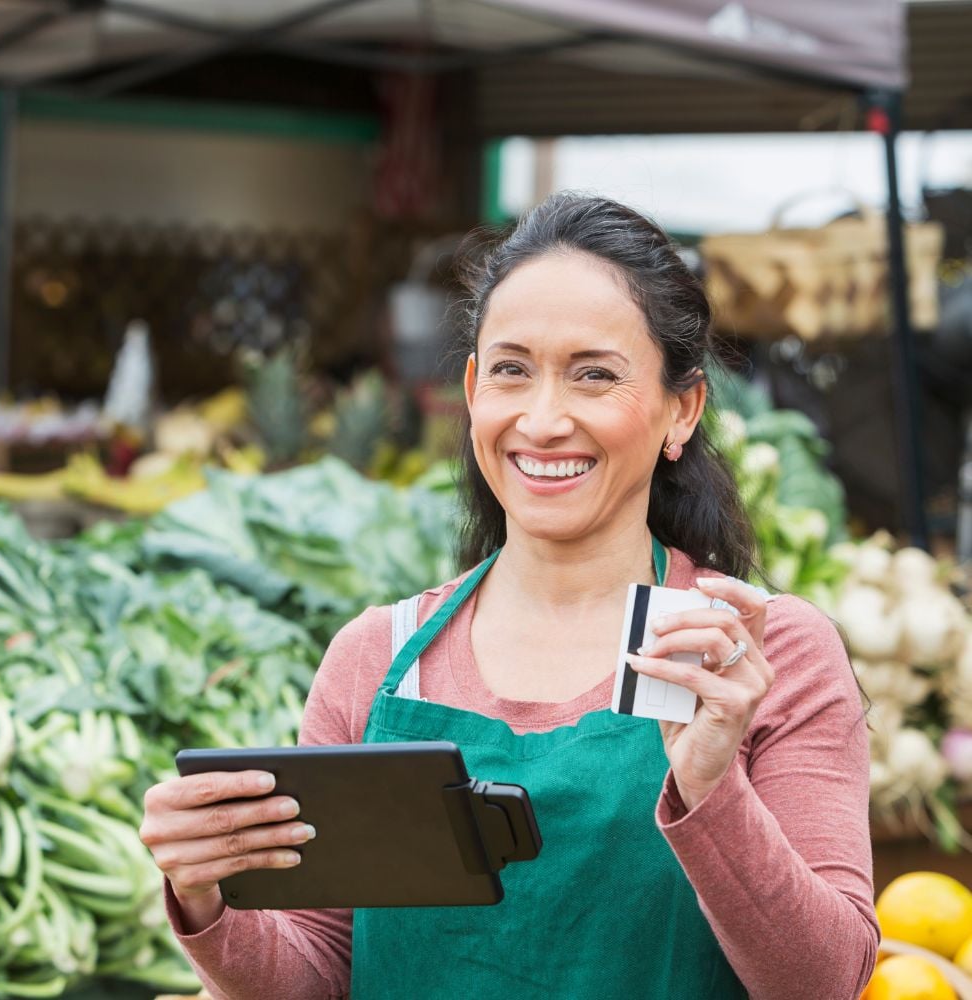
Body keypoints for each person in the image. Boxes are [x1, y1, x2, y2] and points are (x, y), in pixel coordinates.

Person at [140, 193, 879, 999]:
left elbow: (828, 982)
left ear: (683, 409)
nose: (544, 417)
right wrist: (206, 896)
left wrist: (711, 782)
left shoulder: (755, 655)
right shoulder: (378, 659)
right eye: (511, 370)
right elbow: (321, 971)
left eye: (594, 375)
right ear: (472, 390)